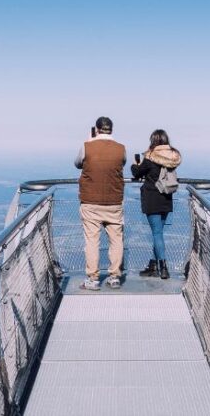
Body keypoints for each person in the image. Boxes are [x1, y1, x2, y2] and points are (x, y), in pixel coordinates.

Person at [74, 116, 127, 290]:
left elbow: (77, 164)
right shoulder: (121, 149)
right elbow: (122, 163)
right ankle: (114, 276)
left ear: (96, 130)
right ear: (111, 129)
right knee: (116, 240)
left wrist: (90, 142)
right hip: (114, 201)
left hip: (90, 201)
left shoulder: (87, 146)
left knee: (92, 241)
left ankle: (93, 278)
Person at [131, 129, 181, 280]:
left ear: (153, 141)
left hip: (152, 197)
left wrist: (135, 164)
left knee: (157, 233)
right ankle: (153, 266)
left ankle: (163, 268)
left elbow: (137, 173)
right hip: (166, 197)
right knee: (158, 233)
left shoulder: (150, 157)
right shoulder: (172, 157)